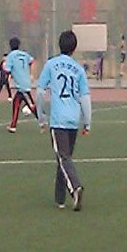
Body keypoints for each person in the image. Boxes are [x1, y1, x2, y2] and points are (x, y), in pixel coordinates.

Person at [37, 30, 91, 211]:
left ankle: (75, 187)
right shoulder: (78, 69)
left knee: (63, 158)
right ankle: (59, 199)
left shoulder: (51, 64)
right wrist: (87, 122)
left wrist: (41, 117)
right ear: (74, 48)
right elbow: (85, 98)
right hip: (73, 120)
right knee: (63, 158)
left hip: (58, 120)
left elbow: (40, 91)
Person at [4, 37, 38, 133]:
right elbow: (32, 62)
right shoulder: (24, 54)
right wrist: (32, 75)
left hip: (22, 85)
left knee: (31, 106)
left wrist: (6, 75)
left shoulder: (11, 56)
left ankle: (42, 121)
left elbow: (7, 70)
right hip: (25, 82)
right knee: (16, 103)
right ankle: (13, 126)